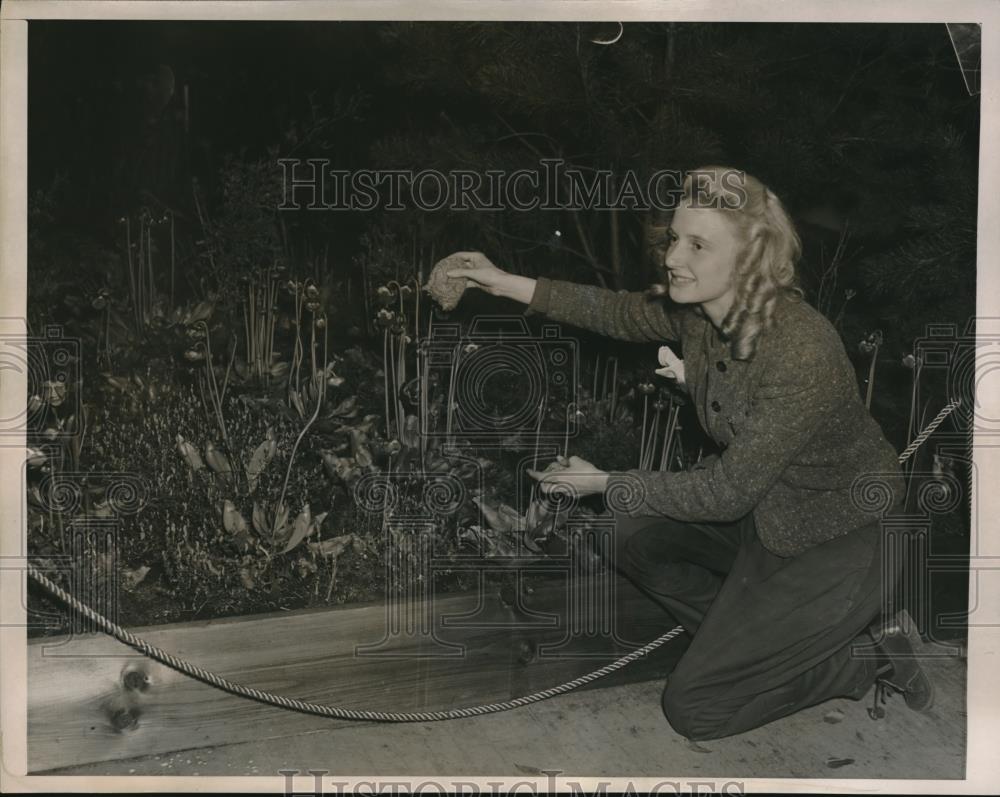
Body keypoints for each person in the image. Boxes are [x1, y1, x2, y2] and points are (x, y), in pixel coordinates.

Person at [443, 165, 933, 741]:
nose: (674, 256)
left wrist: (604, 482)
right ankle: (755, 646)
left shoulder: (802, 349)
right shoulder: (703, 314)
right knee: (626, 534)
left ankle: (866, 656)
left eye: (698, 244)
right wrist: (504, 282)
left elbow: (726, 493)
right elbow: (617, 312)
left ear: (750, 257)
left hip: (844, 538)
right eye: (675, 238)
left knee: (696, 708)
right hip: (770, 520)